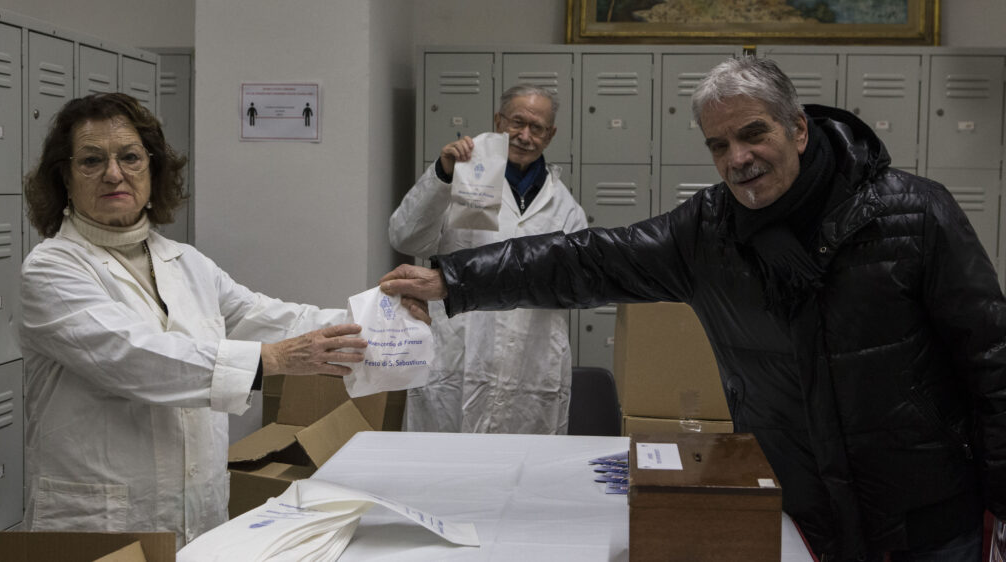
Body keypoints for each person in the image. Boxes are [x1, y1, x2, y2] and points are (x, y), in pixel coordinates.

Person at [380, 57, 1006, 560]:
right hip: (797, 512)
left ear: (797, 128)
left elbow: (993, 360)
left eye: (753, 133)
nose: (738, 158)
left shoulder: (914, 214)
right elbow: (585, 260)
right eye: (718, 144)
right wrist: (452, 279)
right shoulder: (707, 233)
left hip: (925, 518)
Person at [18, 92, 367, 549]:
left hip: (196, 510)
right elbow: (135, 357)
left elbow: (267, 317)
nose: (114, 173)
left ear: (153, 169)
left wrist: (378, 318)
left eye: (130, 157)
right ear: (64, 177)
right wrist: (275, 360)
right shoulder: (50, 269)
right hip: (101, 519)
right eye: (91, 160)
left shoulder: (185, 262)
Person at [388, 84, 587, 434]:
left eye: (537, 127)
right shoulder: (460, 179)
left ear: (550, 135)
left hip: (530, 363)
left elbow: (578, 285)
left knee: (521, 461)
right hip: (457, 356)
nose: (525, 136)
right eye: (517, 122)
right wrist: (443, 176)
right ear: (499, 121)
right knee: (442, 459)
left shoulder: (565, 207)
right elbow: (406, 237)